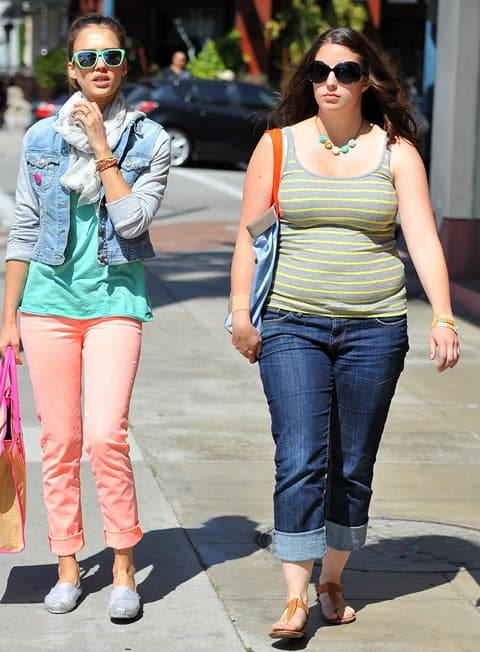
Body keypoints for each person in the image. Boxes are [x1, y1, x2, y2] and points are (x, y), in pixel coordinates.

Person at [229, 27, 460, 639]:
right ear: (309, 78)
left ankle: (332, 575)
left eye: (348, 71)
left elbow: (422, 238)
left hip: (375, 329)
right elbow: (249, 237)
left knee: (352, 463)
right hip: (291, 322)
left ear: (368, 80)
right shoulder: (276, 146)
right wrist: (240, 313)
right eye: (322, 71)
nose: (332, 81)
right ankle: (296, 597)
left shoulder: (397, 152)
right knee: (299, 455)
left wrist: (441, 314)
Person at [0, 13, 171, 619]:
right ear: (71, 68)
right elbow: (23, 226)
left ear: (126, 67)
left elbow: (132, 224)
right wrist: (9, 316)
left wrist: (101, 148)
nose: (101, 66)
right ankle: (67, 563)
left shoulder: (151, 142)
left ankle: (124, 567)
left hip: (116, 304)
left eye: (113, 57)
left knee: (104, 435)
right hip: (46, 306)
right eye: (90, 58)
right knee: (62, 440)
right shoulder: (40, 140)